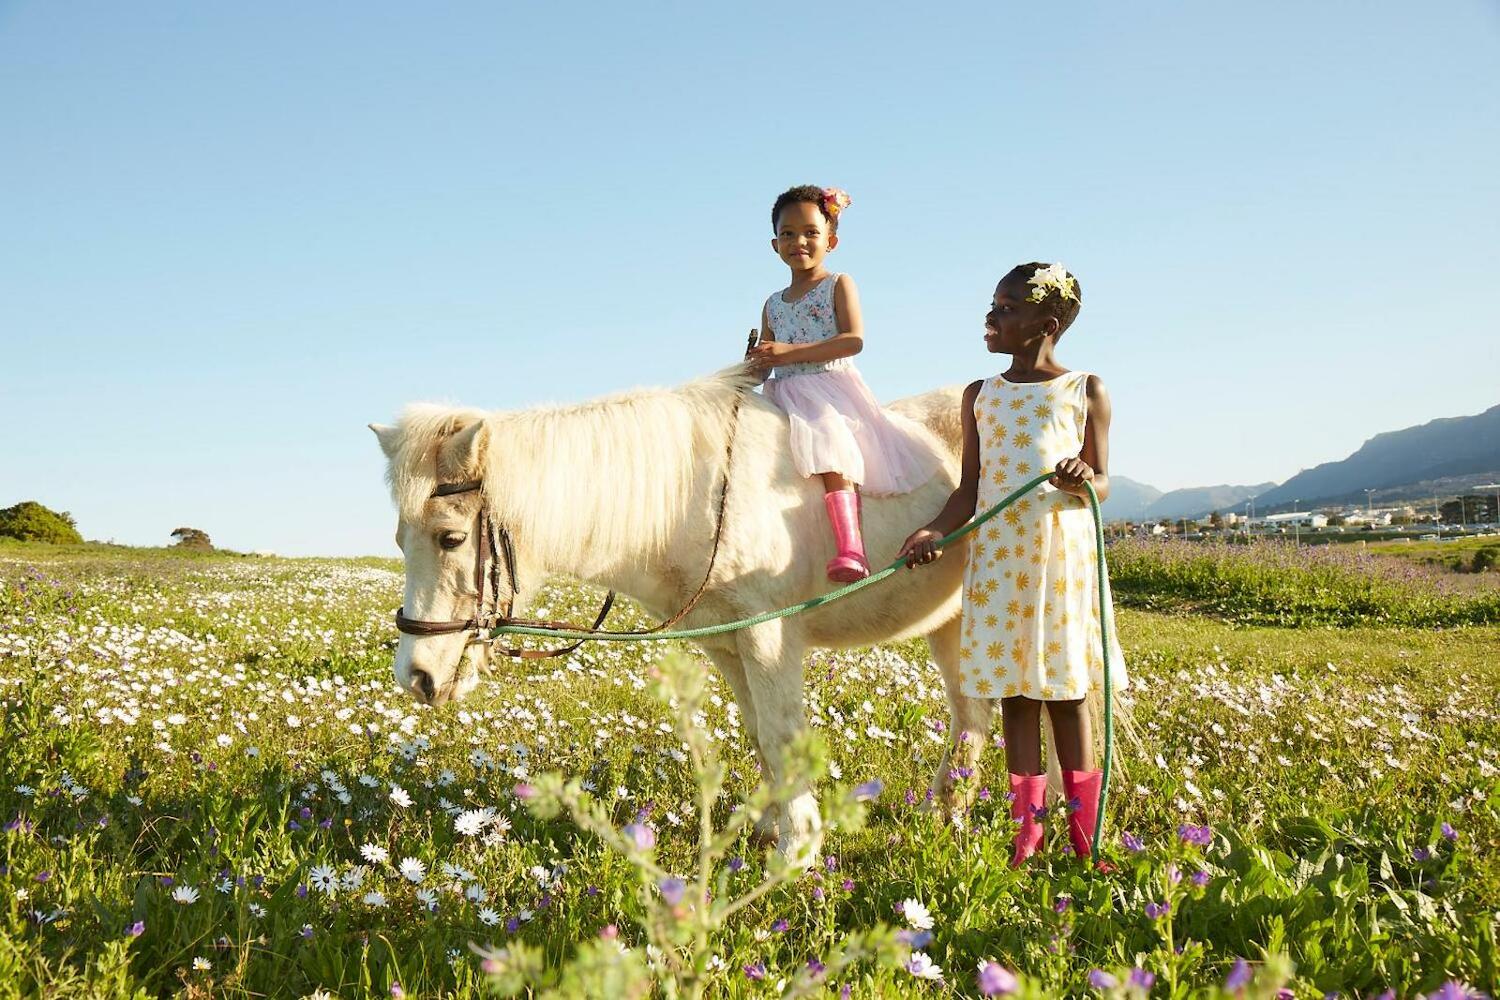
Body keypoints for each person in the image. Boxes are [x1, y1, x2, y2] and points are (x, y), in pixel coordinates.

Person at [897, 262, 1128, 866]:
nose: (990, 318)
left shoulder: (1085, 390)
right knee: (1015, 695)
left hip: (1059, 556)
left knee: (1068, 692)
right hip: (999, 559)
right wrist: (935, 531)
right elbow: (969, 488)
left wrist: (1084, 479)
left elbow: (1102, 483)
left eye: (1005, 308)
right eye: (992, 306)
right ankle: (1028, 836)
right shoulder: (983, 396)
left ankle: (1085, 837)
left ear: (1045, 325)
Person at [747, 184, 939, 582]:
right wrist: (755, 364)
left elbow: (853, 340)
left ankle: (851, 548)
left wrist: (788, 353)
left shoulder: (837, 284)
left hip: (826, 390)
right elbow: (766, 365)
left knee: (830, 447)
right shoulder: (772, 303)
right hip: (781, 391)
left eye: (810, 233)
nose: (798, 241)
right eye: (787, 234)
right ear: (773, 244)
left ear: (830, 241)